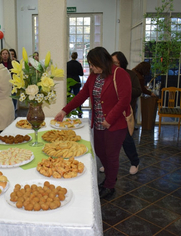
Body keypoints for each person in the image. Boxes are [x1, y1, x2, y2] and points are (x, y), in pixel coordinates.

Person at [54, 47, 131, 199]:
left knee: (111, 155)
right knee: (101, 153)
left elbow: (124, 100)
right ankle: (110, 178)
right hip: (98, 124)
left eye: (94, 64)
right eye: (90, 65)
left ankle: (110, 185)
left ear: (102, 61)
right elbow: (82, 95)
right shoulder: (95, 76)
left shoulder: (119, 73)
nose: (92, 68)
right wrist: (64, 111)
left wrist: (109, 120)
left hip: (114, 125)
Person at [107, 51, 141, 174]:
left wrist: (124, 89)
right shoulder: (109, 75)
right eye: (112, 62)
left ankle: (135, 162)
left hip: (124, 113)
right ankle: (108, 164)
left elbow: (138, 91)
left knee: (126, 140)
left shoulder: (131, 75)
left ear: (122, 63)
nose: (113, 65)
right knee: (110, 141)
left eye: (115, 62)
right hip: (111, 113)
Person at [67, 52, 84, 117]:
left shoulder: (67, 64)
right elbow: (81, 74)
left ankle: (67, 110)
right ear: (76, 57)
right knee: (77, 97)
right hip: (76, 82)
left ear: (71, 56)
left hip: (68, 82)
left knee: (67, 97)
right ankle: (79, 111)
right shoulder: (78, 64)